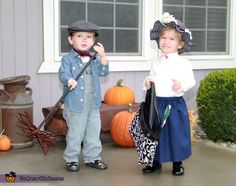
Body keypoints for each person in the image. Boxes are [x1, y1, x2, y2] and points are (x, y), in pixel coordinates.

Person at [143, 12, 196, 176]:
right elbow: (153, 78)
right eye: (163, 38)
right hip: (157, 103)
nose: (166, 41)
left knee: (176, 134)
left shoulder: (183, 63)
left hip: (174, 104)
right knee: (155, 133)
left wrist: (181, 85)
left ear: (180, 45)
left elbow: (191, 82)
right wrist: (148, 82)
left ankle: (177, 163)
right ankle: (154, 160)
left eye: (172, 39)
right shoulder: (156, 62)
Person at [59, 20, 109, 172]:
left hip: (93, 104)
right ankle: (72, 159)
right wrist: (69, 79)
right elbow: (63, 74)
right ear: (70, 39)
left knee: (93, 132)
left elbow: (103, 72)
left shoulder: (94, 59)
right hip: (75, 105)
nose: (84, 39)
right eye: (79, 36)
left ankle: (92, 157)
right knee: (76, 133)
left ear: (93, 41)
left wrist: (103, 57)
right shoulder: (68, 59)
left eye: (89, 37)